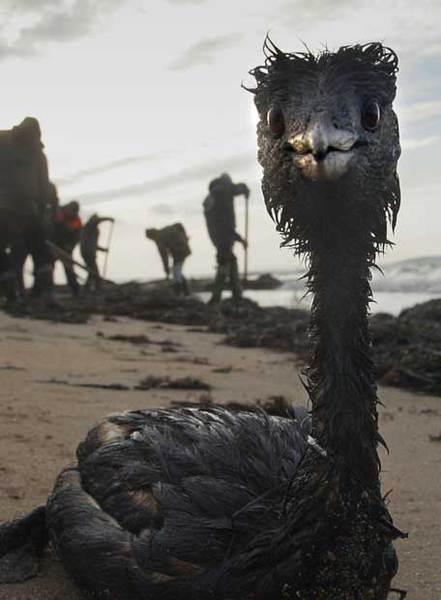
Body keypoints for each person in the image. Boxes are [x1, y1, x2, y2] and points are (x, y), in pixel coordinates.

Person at [0, 117, 55, 307]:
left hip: (12, 208)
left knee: (37, 253)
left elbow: (43, 186)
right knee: (40, 252)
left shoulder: (3, 140)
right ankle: (44, 295)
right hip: (23, 208)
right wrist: (43, 211)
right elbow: (44, 186)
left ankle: (16, 296)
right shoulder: (38, 153)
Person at [203, 173, 249, 304]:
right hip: (223, 236)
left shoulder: (214, 196)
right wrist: (245, 189)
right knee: (224, 264)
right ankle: (216, 297)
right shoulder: (222, 191)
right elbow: (226, 225)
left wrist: (239, 239)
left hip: (218, 236)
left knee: (231, 261)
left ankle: (236, 293)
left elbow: (224, 224)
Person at [145, 223, 191, 296]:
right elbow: (179, 224)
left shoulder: (159, 240)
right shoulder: (166, 229)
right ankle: (186, 292)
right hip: (182, 249)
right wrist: (184, 236)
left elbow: (164, 257)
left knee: (176, 272)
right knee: (177, 270)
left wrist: (166, 270)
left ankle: (178, 293)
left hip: (180, 251)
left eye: (150, 238)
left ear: (152, 236)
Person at [52, 200, 82, 297]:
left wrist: (70, 246)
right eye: (71, 210)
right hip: (53, 244)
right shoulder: (58, 212)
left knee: (69, 268)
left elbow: (77, 236)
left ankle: (75, 290)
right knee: (48, 266)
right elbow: (52, 227)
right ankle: (46, 290)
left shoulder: (77, 220)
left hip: (66, 247)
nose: (72, 213)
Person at [80, 214, 114, 293]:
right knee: (94, 270)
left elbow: (94, 244)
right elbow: (95, 221)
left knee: (91, 271)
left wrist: (103, 250)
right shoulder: (88, 227)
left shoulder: (95, 230)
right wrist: (108, 218)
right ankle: (98, 287)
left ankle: (87, 288)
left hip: (91, 252)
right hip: (87, 252)